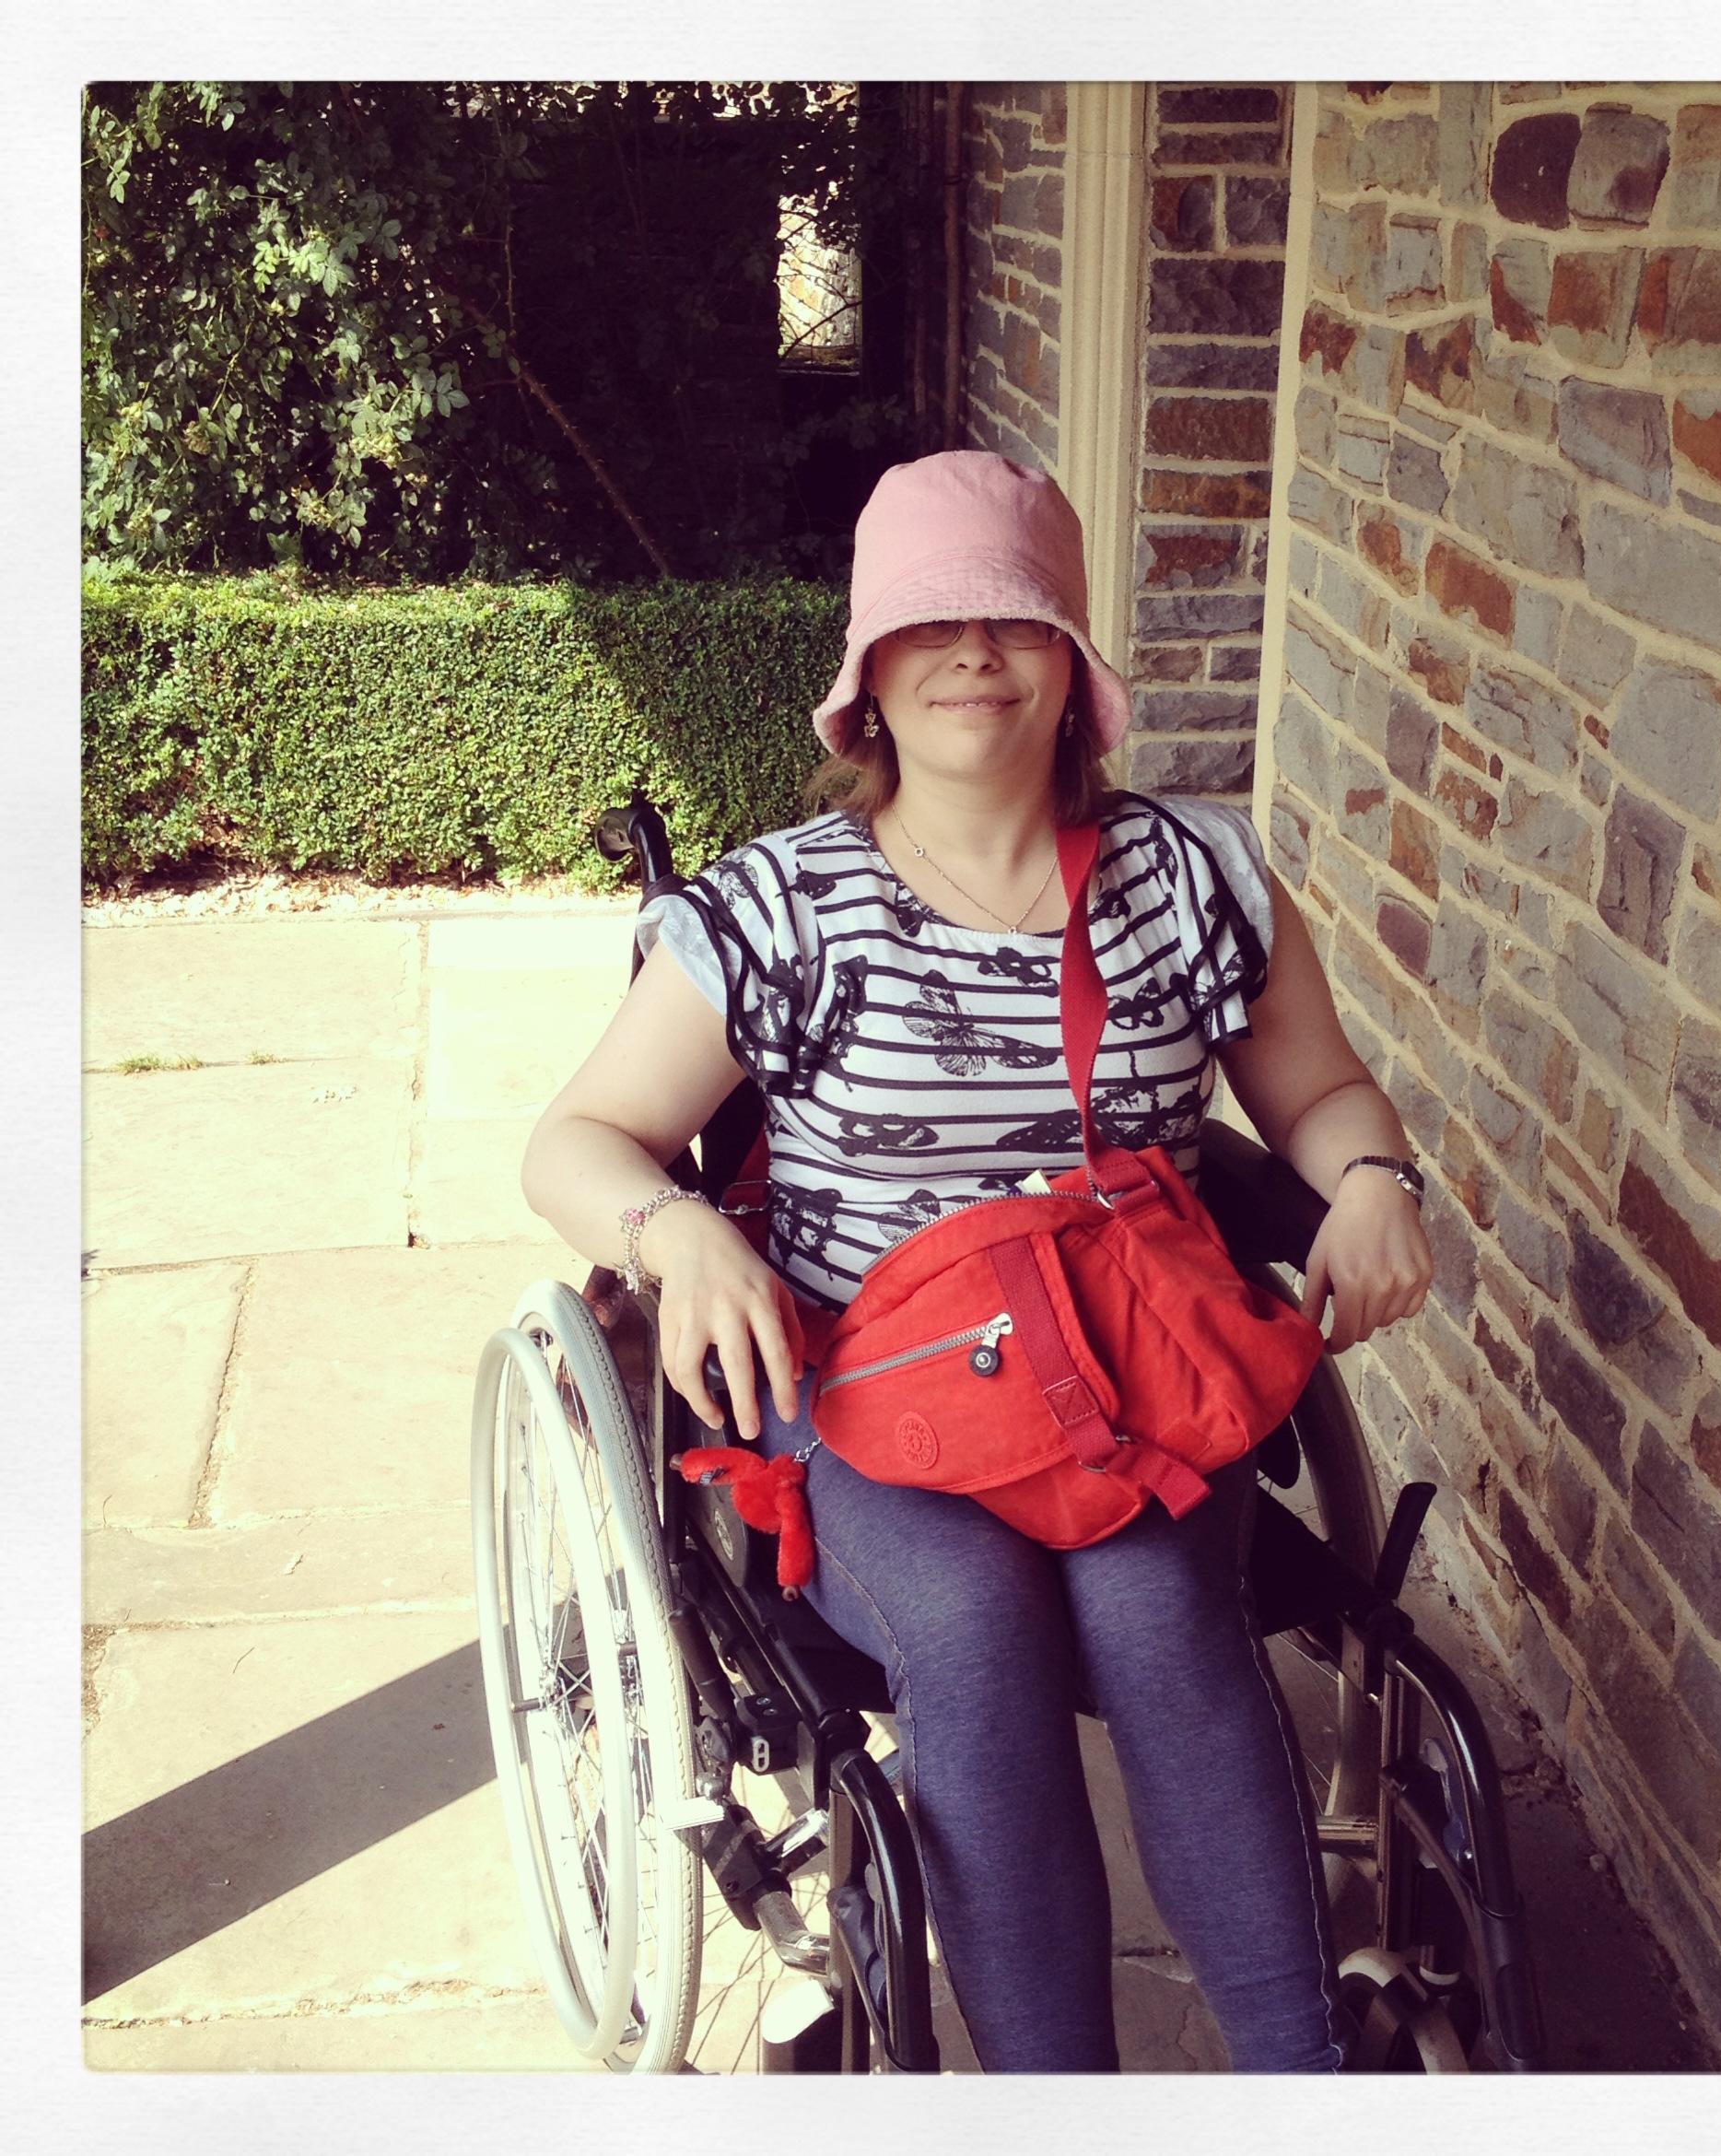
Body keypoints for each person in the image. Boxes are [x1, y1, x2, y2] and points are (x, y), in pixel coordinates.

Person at [521, 451, 1434, 2072]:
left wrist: (1369, 1178)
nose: (970, 653)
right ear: (868, 676)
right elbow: (577, 1139)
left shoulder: (1191, 882)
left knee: (1164, 1617)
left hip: (1126, 1376)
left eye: (1012, 619)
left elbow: (1320, 1094)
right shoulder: (784, 908)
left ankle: (1303, 2081)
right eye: (926, 623)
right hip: (870, 1385)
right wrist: (680, 1226)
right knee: (972, 1627)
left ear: (1073, 663)